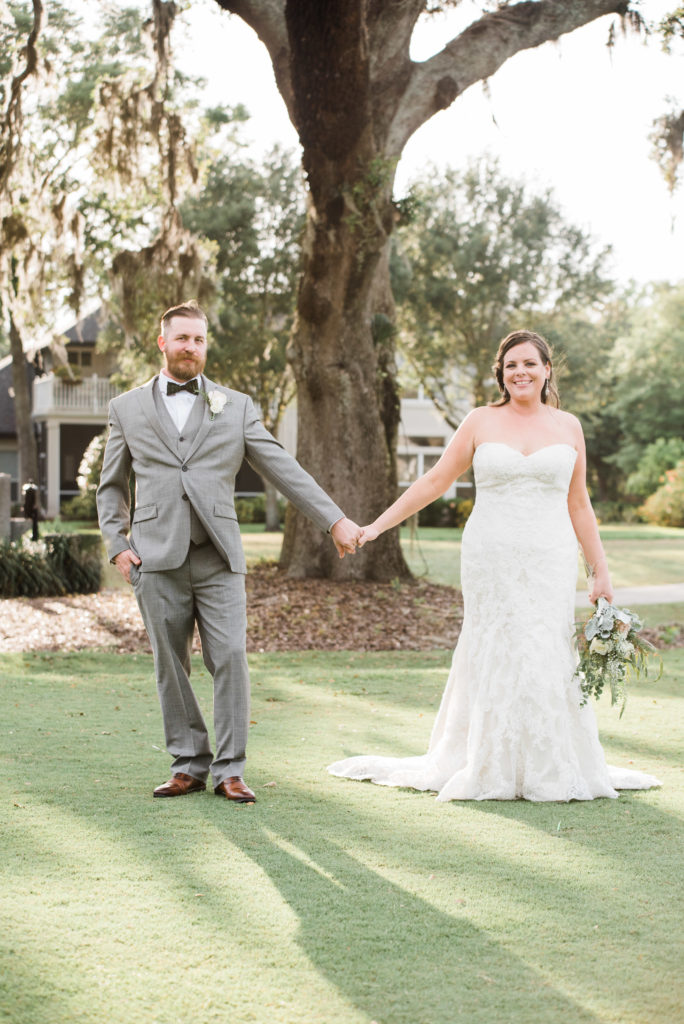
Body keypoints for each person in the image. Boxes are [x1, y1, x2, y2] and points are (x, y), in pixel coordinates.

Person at [328, 330, 661, 801]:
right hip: (491, 554)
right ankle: (486, 760)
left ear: (547, 370)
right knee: (494, 641)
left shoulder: (569, 427)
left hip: (550, 554)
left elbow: (580, 503)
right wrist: (377, 527)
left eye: (529, 363)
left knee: (544, 643)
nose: (520, 372)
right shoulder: (480, 420)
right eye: (510, 366)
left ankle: (550, 763)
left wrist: (599, 570)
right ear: (501, 375)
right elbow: (436, 479)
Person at [97, 300, 362, 803]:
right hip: (153, 557)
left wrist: (334, 519)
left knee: (232, 657)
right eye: (181, 338)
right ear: (162, 343)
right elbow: (110, 487)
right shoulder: (125, 408)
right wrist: (118, 546)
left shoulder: (235, 405)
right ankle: (188, 763)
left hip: (219, 556)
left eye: (198, 339)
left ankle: (230, 768)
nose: (190, 347)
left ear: (204, 345)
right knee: (169, 664)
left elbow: (283, 467)